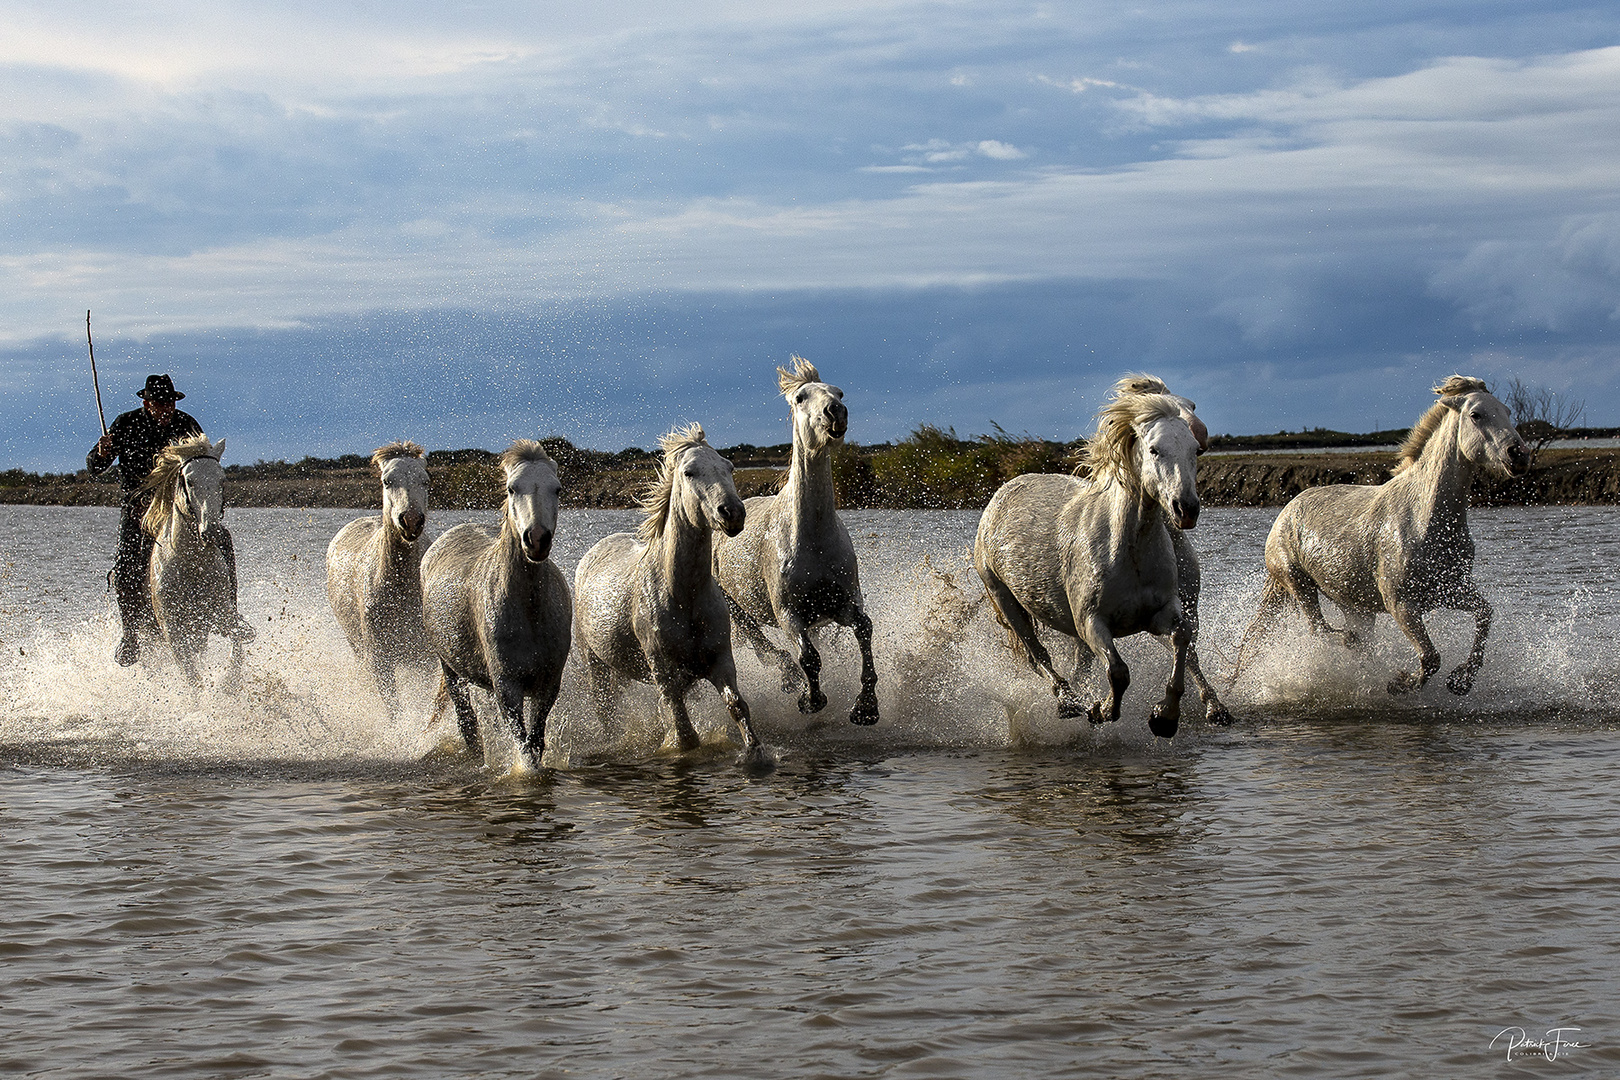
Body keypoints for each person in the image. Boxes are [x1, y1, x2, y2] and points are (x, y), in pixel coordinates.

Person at [86, 373, 255, 665]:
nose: (166, 409)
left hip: (181, 508)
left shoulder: (186, 424)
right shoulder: (125, 424)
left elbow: (204, 464)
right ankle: (130, 635)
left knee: (222, 538)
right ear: (146, 402)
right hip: (139, 507)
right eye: (159, 404)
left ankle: (231, 612)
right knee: (126, 565)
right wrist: (102, 453)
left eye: (170, 404)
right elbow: (94, 468)